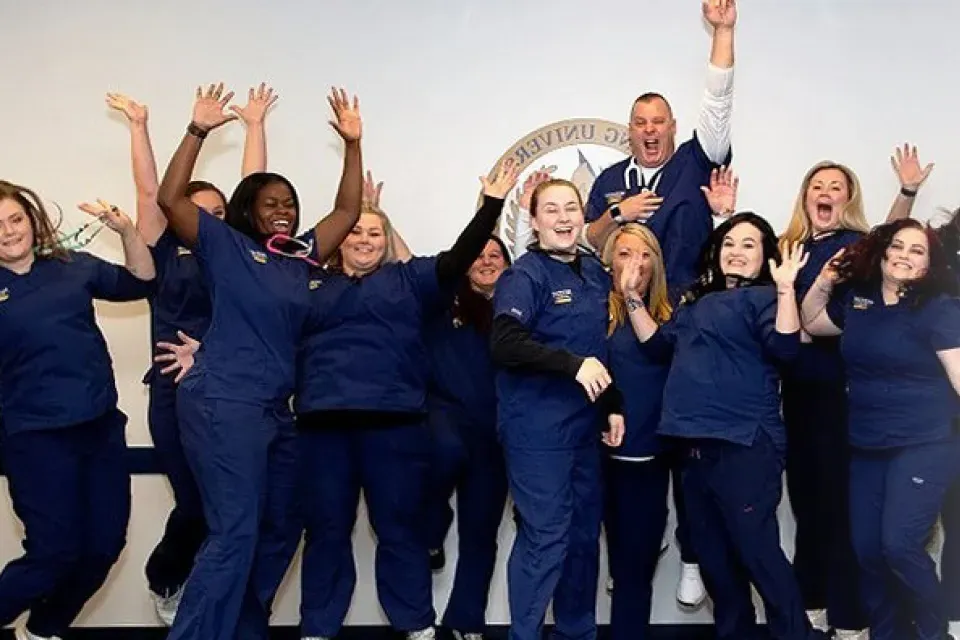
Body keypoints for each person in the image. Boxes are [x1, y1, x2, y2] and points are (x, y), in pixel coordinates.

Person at [155, 82, 363, 640]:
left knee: (281, 523)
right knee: (234, 533)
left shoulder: (297, 257)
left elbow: (347, 209)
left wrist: (352, 144)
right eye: (271, 203)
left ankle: (243, 628)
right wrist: (197, 129)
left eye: (290, 203)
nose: (284, 212)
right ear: (248, 209)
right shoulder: (225, 245)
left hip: (274, 411)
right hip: (224, 402)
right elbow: (170, 200)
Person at [294, 162, 517, 640]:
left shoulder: (409, 280)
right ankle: (317, 627)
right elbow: (258, 328)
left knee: (399, 531)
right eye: (354, 229)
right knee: (326, 532)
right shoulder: (306, 285)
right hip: (322, 427)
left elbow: (458, 260)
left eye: (375, 232)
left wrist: (491, 208)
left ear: (386, 239)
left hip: (393, 427)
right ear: (337, 237)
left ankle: (415, 625)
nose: (365, 239)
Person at [105, 83, 276, 625]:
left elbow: (253, 188)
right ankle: (167, 575)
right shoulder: (166, 242)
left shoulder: (238, 253)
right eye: (199, 209)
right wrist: (139, 127)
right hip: (174, 393)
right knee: (200, 503)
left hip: (232, 390)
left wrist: (253, 126)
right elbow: (150, 188)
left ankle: (214, 606)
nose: (210, 216)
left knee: (235, 509)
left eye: (219, 210)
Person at [625, 212, 827, 640]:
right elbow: (658, 345)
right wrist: (632, 299)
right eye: (729, 243)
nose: (736, 252)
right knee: (715, 561)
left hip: (744, 445)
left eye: (749, 244)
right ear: (716, 253)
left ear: (765, 257)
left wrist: (788, 288)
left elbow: (787, 348)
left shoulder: (766, 298)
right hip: (691, 446)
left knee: (758, 554)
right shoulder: (694, 301)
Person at [778, 146, 932, 638]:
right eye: (817, 186)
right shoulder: (788, 247)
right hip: (795, 395)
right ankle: (813, 603)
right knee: (806, 506)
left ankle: (849, 618)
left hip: (841, 395)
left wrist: (907, 193)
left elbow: (889, 247)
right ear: (805, 197)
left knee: (842, 512)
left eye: (835, 187)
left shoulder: (857, 247)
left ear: (849, 199)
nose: (825, 193)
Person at [0, 183, 156, 640]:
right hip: (34, 438)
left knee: (105, 546)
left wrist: (126, 230)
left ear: (32, 219)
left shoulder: (71, 267)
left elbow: (141, 281)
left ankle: (44, 629)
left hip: (100, 430)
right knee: (53, 554)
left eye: (15, 219)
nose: (9, 232)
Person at [802, 217, 960, 640]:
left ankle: (935, 631)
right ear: (884, 252)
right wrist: (824, 278)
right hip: (867, 444)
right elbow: (813, 322)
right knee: (868, 551)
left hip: (925, 442)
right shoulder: (859, 301)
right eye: (899, 246)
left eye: (918, 250)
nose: (906, 256)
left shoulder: (939, 307)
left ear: (929, 264)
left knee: (900, 546)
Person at [491, 177, 625, 640]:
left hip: (583, 431)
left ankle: (577, 633)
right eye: (552, 209)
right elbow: (505, 343)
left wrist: (611, 405)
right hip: (537, 433)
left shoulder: (593, 272)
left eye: (571, 208)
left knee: (584, 539)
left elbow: (597, 350)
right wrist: (571, 366)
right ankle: (524, 634)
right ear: (534, 220)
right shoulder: (524, 275)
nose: (564, 218)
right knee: (546, 539)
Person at [422, 234, 512, 640]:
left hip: (495, 435)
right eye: (478, 255)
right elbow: (405, 260)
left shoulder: (520, 309)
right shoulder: (443, 297)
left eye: (496, 255)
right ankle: (431, 532)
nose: (487, 261)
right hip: (444, 416)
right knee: (443, 453)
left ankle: (465, 620)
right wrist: (379, 222)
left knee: (481, 531)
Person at [600, 223, 673, 640]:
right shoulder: (593, 309)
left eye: (645, 255)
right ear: (609, 260)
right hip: (589, 456)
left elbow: (658, 349)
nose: (636, 263)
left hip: (644, 459)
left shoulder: (670, 310)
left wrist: (632, 299)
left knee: (633, 569)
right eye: (625, 253)